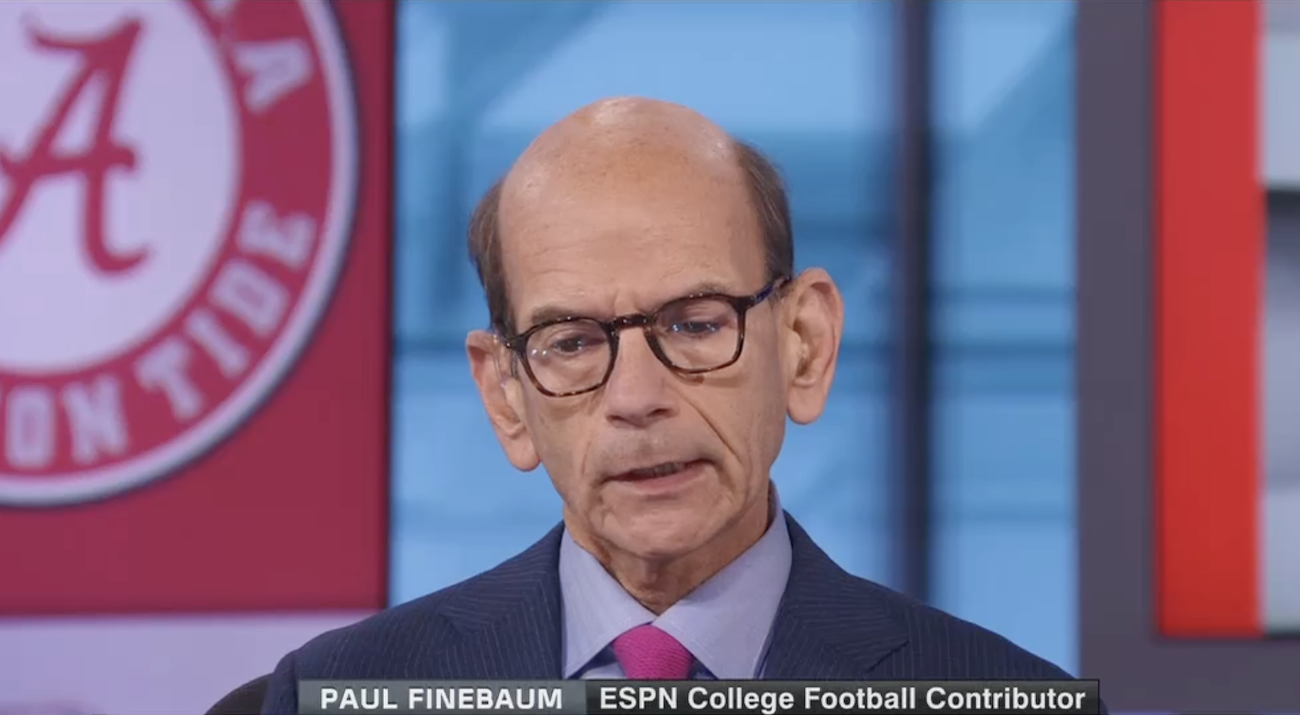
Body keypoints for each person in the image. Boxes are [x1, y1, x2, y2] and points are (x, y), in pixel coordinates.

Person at [260, 97, 1074, 712]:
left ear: (804, 343)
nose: (637, 398)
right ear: (506, 395)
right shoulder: (334, 693)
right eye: (571, 341)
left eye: (695, 323)